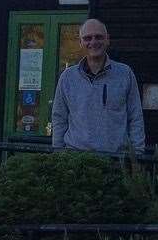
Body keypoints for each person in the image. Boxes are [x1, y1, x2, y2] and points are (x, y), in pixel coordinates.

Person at [51, 18, 146, 157]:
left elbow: (135, 116)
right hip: (75, 159)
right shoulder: (67, 78)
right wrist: (58, 153)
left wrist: (137, 154)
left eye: (98, 37)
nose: (93, 42)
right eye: (87, 38)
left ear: (107, 39)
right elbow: (59, 117)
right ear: (80, 42)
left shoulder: (125, 74)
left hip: (116, 160)